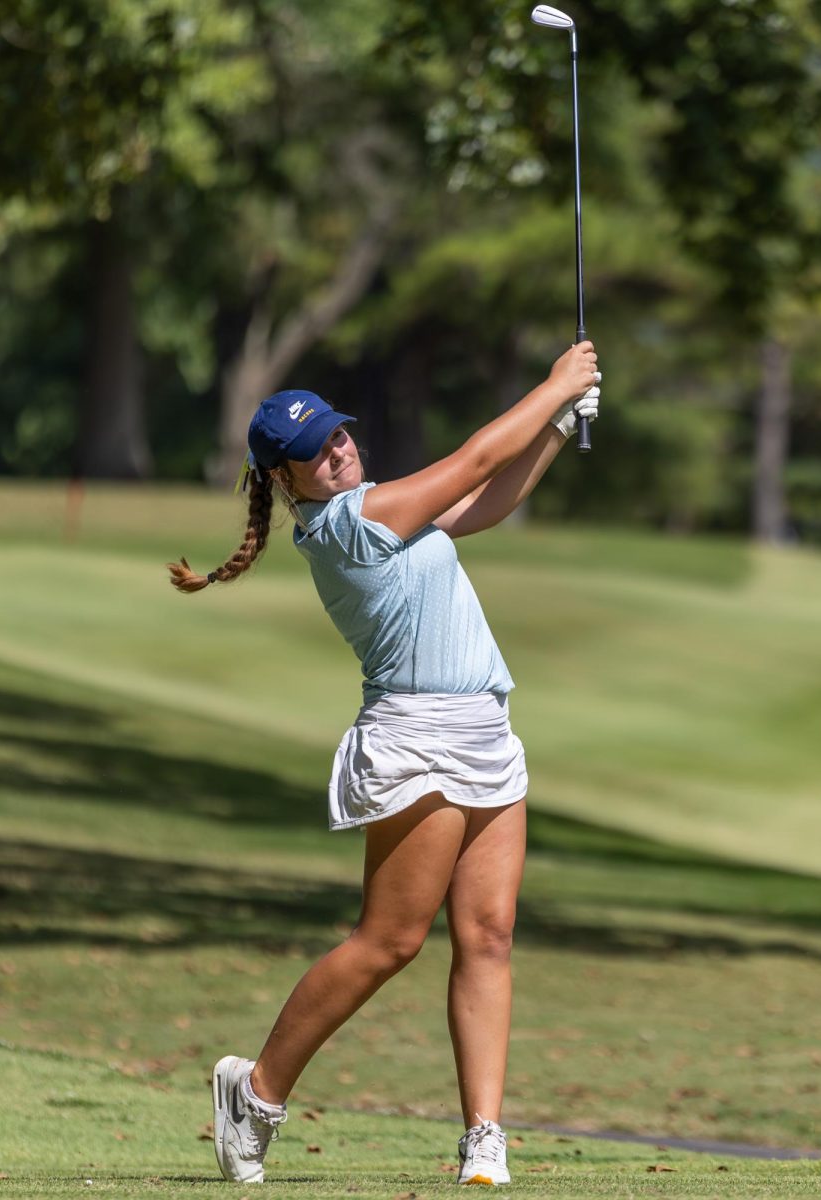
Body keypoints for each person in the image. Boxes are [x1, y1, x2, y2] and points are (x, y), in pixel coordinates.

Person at [167, 341, 600, 1187]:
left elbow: (482, 502)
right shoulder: (350, 525)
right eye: (315, 453)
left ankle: (484, 1137)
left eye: (337, 435)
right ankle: (254, 1095)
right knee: (390, 940)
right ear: (284, 480)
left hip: (483, 730)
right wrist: (552, 386)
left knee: (488, 935)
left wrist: (556, 424)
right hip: (415, 738)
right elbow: (474, 458)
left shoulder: (379, 504)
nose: (337, 450)